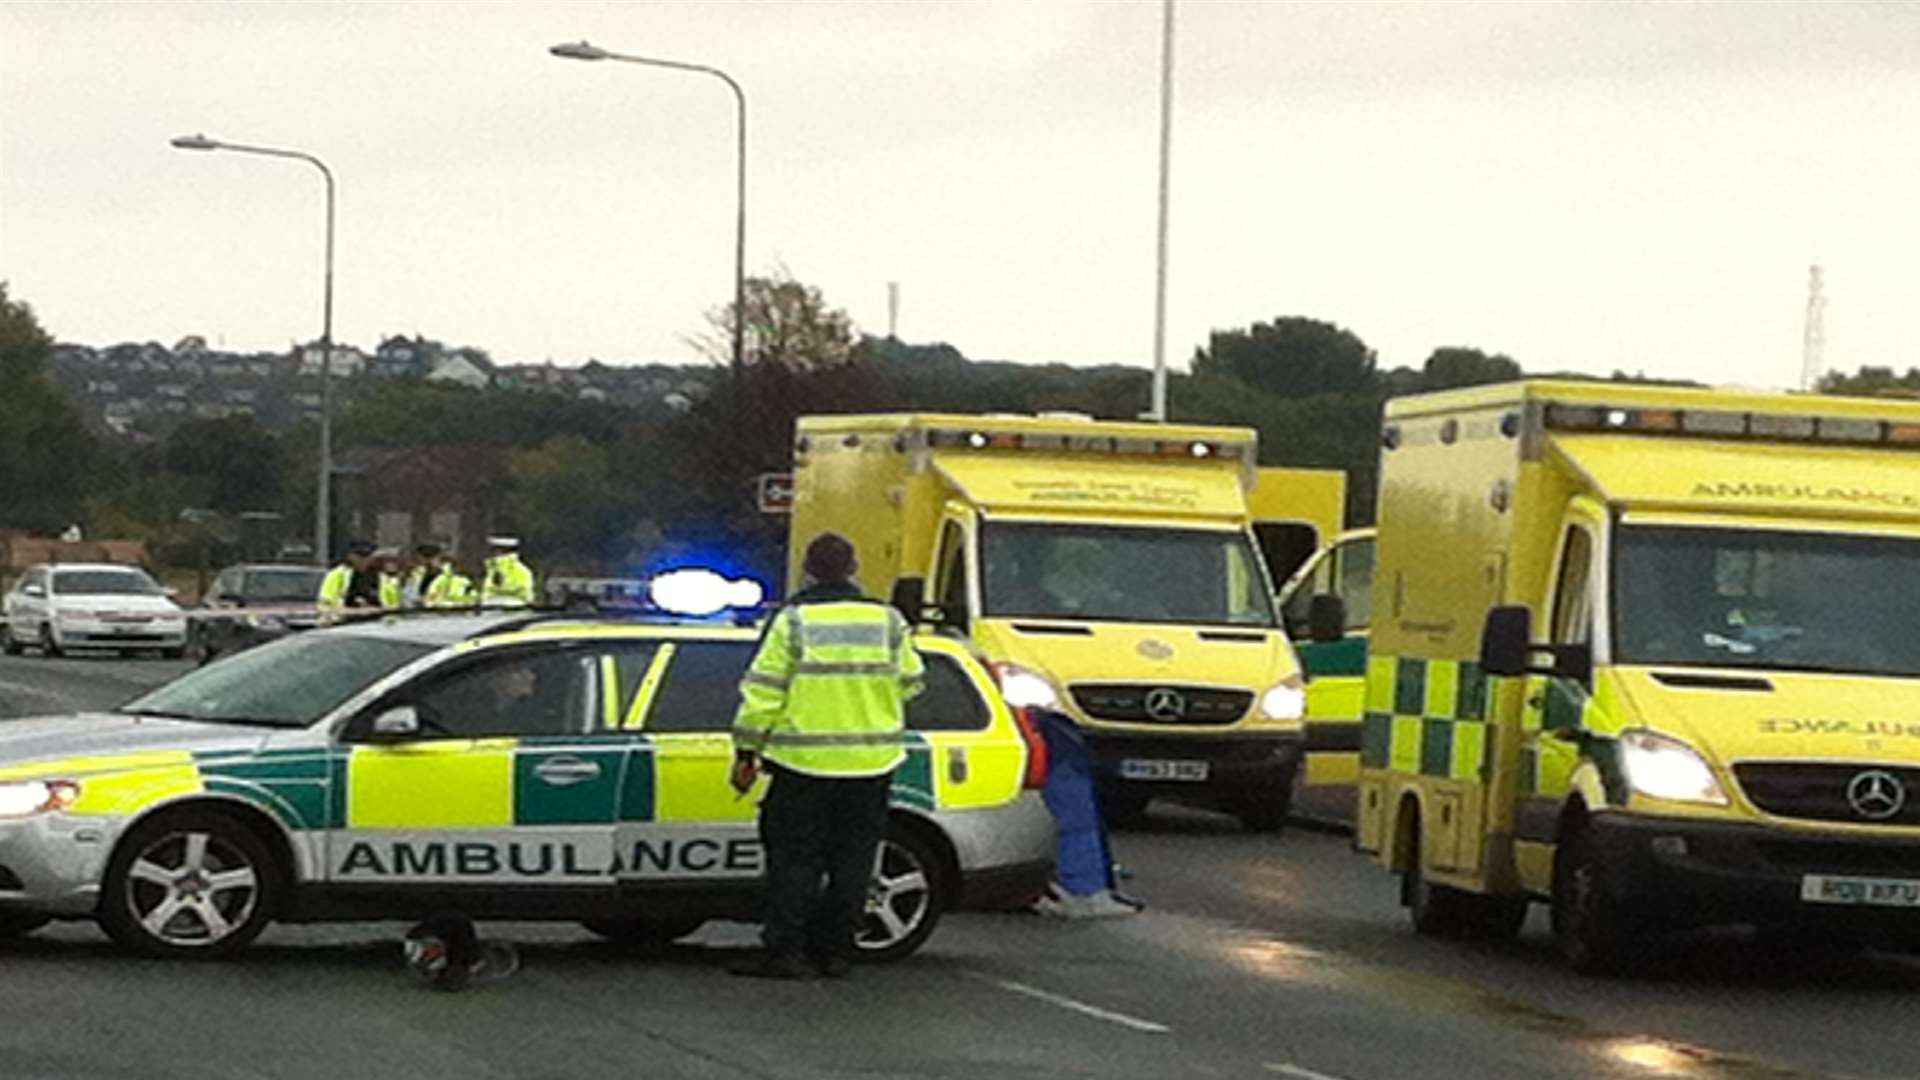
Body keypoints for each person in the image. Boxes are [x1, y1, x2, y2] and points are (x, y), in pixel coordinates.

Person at [728, 533, 925, 980]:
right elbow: (913, 681)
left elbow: (763, 693)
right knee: (853, 861)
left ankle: (786, 953)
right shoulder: (888, 622)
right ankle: (838, 952)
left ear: (808, 570)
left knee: (795, 861)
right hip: (872, 765)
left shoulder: (794, 622)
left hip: (803, 765)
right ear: (853, 568)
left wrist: (747, 752)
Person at [316, 541, 381, 622]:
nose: (364, 561)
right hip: (339, 626)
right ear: (351, 556)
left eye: (368, 557)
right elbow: (323, 608)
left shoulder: (376, 576)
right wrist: (356, 612)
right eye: (361, 556)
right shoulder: (337, 575)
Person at [480, 535, 536, 607]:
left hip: (513, 611)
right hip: (488, 611)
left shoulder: (520, 571)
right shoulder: (492, 569)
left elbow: (523, 595)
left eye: (496, 550)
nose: (493, 554)